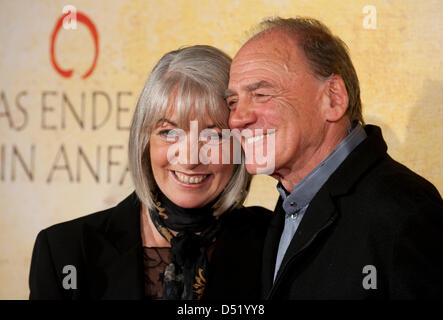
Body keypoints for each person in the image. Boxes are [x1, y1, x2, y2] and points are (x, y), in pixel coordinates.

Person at [29, 45, 271, 300]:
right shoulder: (65, 251)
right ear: (144, 141)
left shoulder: (274, 244)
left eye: (214, 135)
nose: (189, 159)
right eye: (168, 132)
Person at [226, 17, 443, 299]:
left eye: (261, 94)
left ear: (333, 98)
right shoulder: (289, 208)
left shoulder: (404, 212)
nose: (238, 119)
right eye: (232, 102)